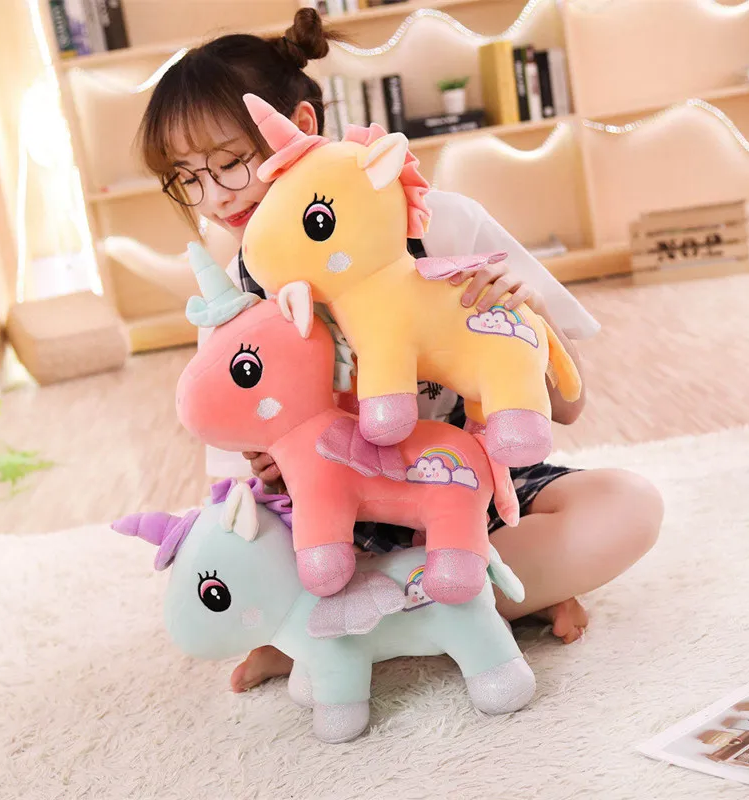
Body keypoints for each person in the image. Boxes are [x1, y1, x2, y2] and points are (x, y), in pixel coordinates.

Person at [138, 8, 664, 693]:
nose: (214, 198)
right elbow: (241, 493)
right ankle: (495, 598)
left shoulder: (439, 221)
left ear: (300, 125)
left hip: (474, 487)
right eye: (188, 178)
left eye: (231, 164)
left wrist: (527, 318)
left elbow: (567, 407)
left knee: (628, 505)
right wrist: (268, 466)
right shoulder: (233, 302)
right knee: (220, 576)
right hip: (347, 525)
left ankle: (367, 627)